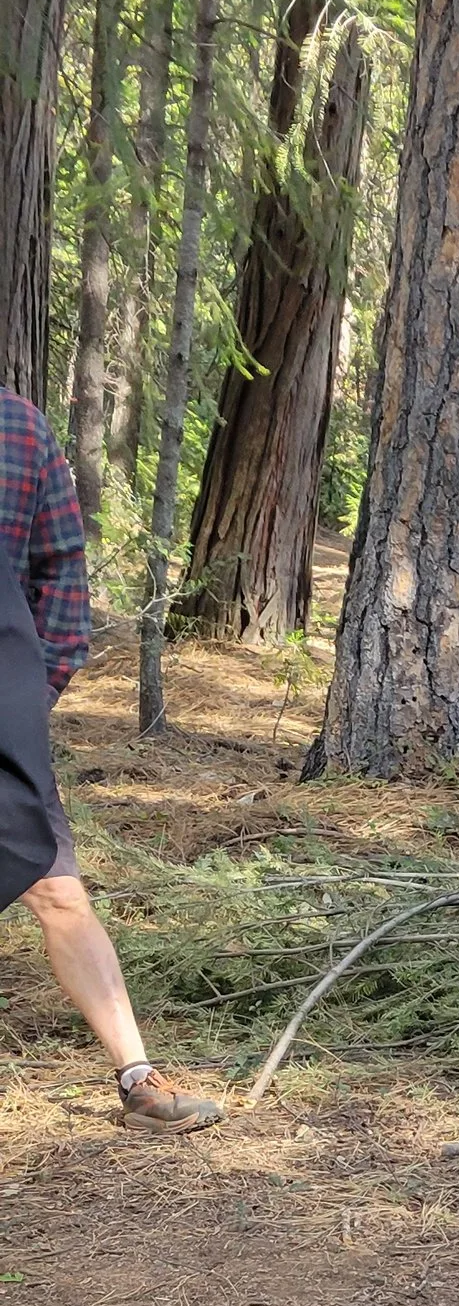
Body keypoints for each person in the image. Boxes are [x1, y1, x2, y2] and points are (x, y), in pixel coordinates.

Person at [0, 390, 214, 1129]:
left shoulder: (18, 428)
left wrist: (29, 693)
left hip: (1, 719)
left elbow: (61, 571)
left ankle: (138, 1082)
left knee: (57, 888)